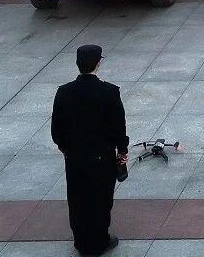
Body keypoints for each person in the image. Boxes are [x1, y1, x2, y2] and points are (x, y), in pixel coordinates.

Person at [51, 44, 128, 257]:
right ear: (98, 63)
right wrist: (122, 150)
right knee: (101, 199)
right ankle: (99, 241)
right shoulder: (110, 92)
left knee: (77, 199)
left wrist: (66, 148)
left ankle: (81, 241)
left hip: (74, 157)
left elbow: (57, 129)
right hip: (102, 157)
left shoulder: (64, 92)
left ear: (78, 63)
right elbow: (118, 126)